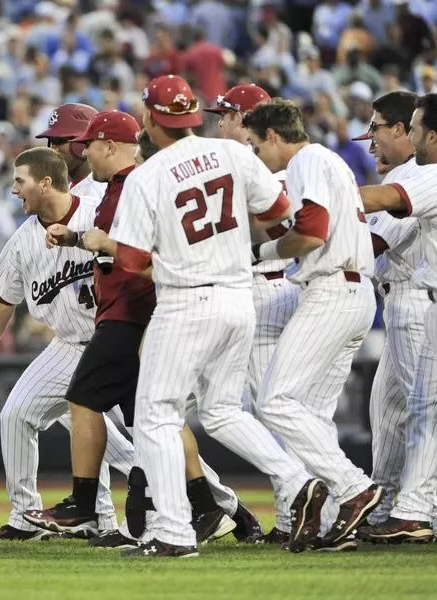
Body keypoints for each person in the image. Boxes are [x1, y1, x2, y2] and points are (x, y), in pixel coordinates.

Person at [22, 112, 262, 547]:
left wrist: (89, 242)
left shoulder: (139, 182)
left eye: (90, 143)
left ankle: (82, 503)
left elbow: (144, 252)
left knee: (83, 397)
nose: (84, 150)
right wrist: (79, 239)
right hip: (141, 310)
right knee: (158, 419)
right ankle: (210, 507)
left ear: (110, 145)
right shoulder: (126, 185)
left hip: (133, 312)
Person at [107, 74, 319, 559]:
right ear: (192, 116)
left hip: (187, 299)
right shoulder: (234, 154)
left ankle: (174, 532)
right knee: (223, 411)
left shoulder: (147, 175)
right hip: (238, 296)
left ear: (150, 118)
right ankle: (297, 478)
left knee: (156, 416)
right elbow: (281, 211)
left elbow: (132, 261)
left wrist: (177, 254)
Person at [0, 147, 134, 541]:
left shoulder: (97, 213)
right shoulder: (22, 241)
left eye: (20, 181)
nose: (14, 189)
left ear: (45, 182)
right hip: (69, 344)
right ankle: (25, 519)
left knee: (140, 431)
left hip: (119, 336)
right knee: (16, 415)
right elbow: (2, 301)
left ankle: (217, 502)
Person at [245, 99, 382, 552]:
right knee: (314, 417)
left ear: (271, 135)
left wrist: (257, 255)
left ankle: (353, 486)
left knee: (275, 400)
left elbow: (311, 231)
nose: (255, 153)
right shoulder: (328, 160)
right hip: (353, 291)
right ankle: (327, 521)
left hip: (331, 289)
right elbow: (298, 225)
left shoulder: (306, 159)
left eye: (254, 142)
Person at [204, 83, 309, 544]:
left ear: (248, 120)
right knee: (207, 408)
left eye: (225, 116)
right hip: (241, 292)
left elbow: (284, 222)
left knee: (271, 410)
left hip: (264, 289)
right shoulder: (242, 167)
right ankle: (223, 505)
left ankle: (294, 516)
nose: (218, 123)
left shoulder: (272, 171)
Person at [356, 93, 437, 543]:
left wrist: (316, 197)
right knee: (394, 411)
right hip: (410, 301)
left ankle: (415, 510)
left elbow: (383, 210)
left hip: (416, 300)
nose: (371, 140)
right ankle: (394, 504)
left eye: (418, 127)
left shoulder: (425, 175)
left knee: (425, 413)